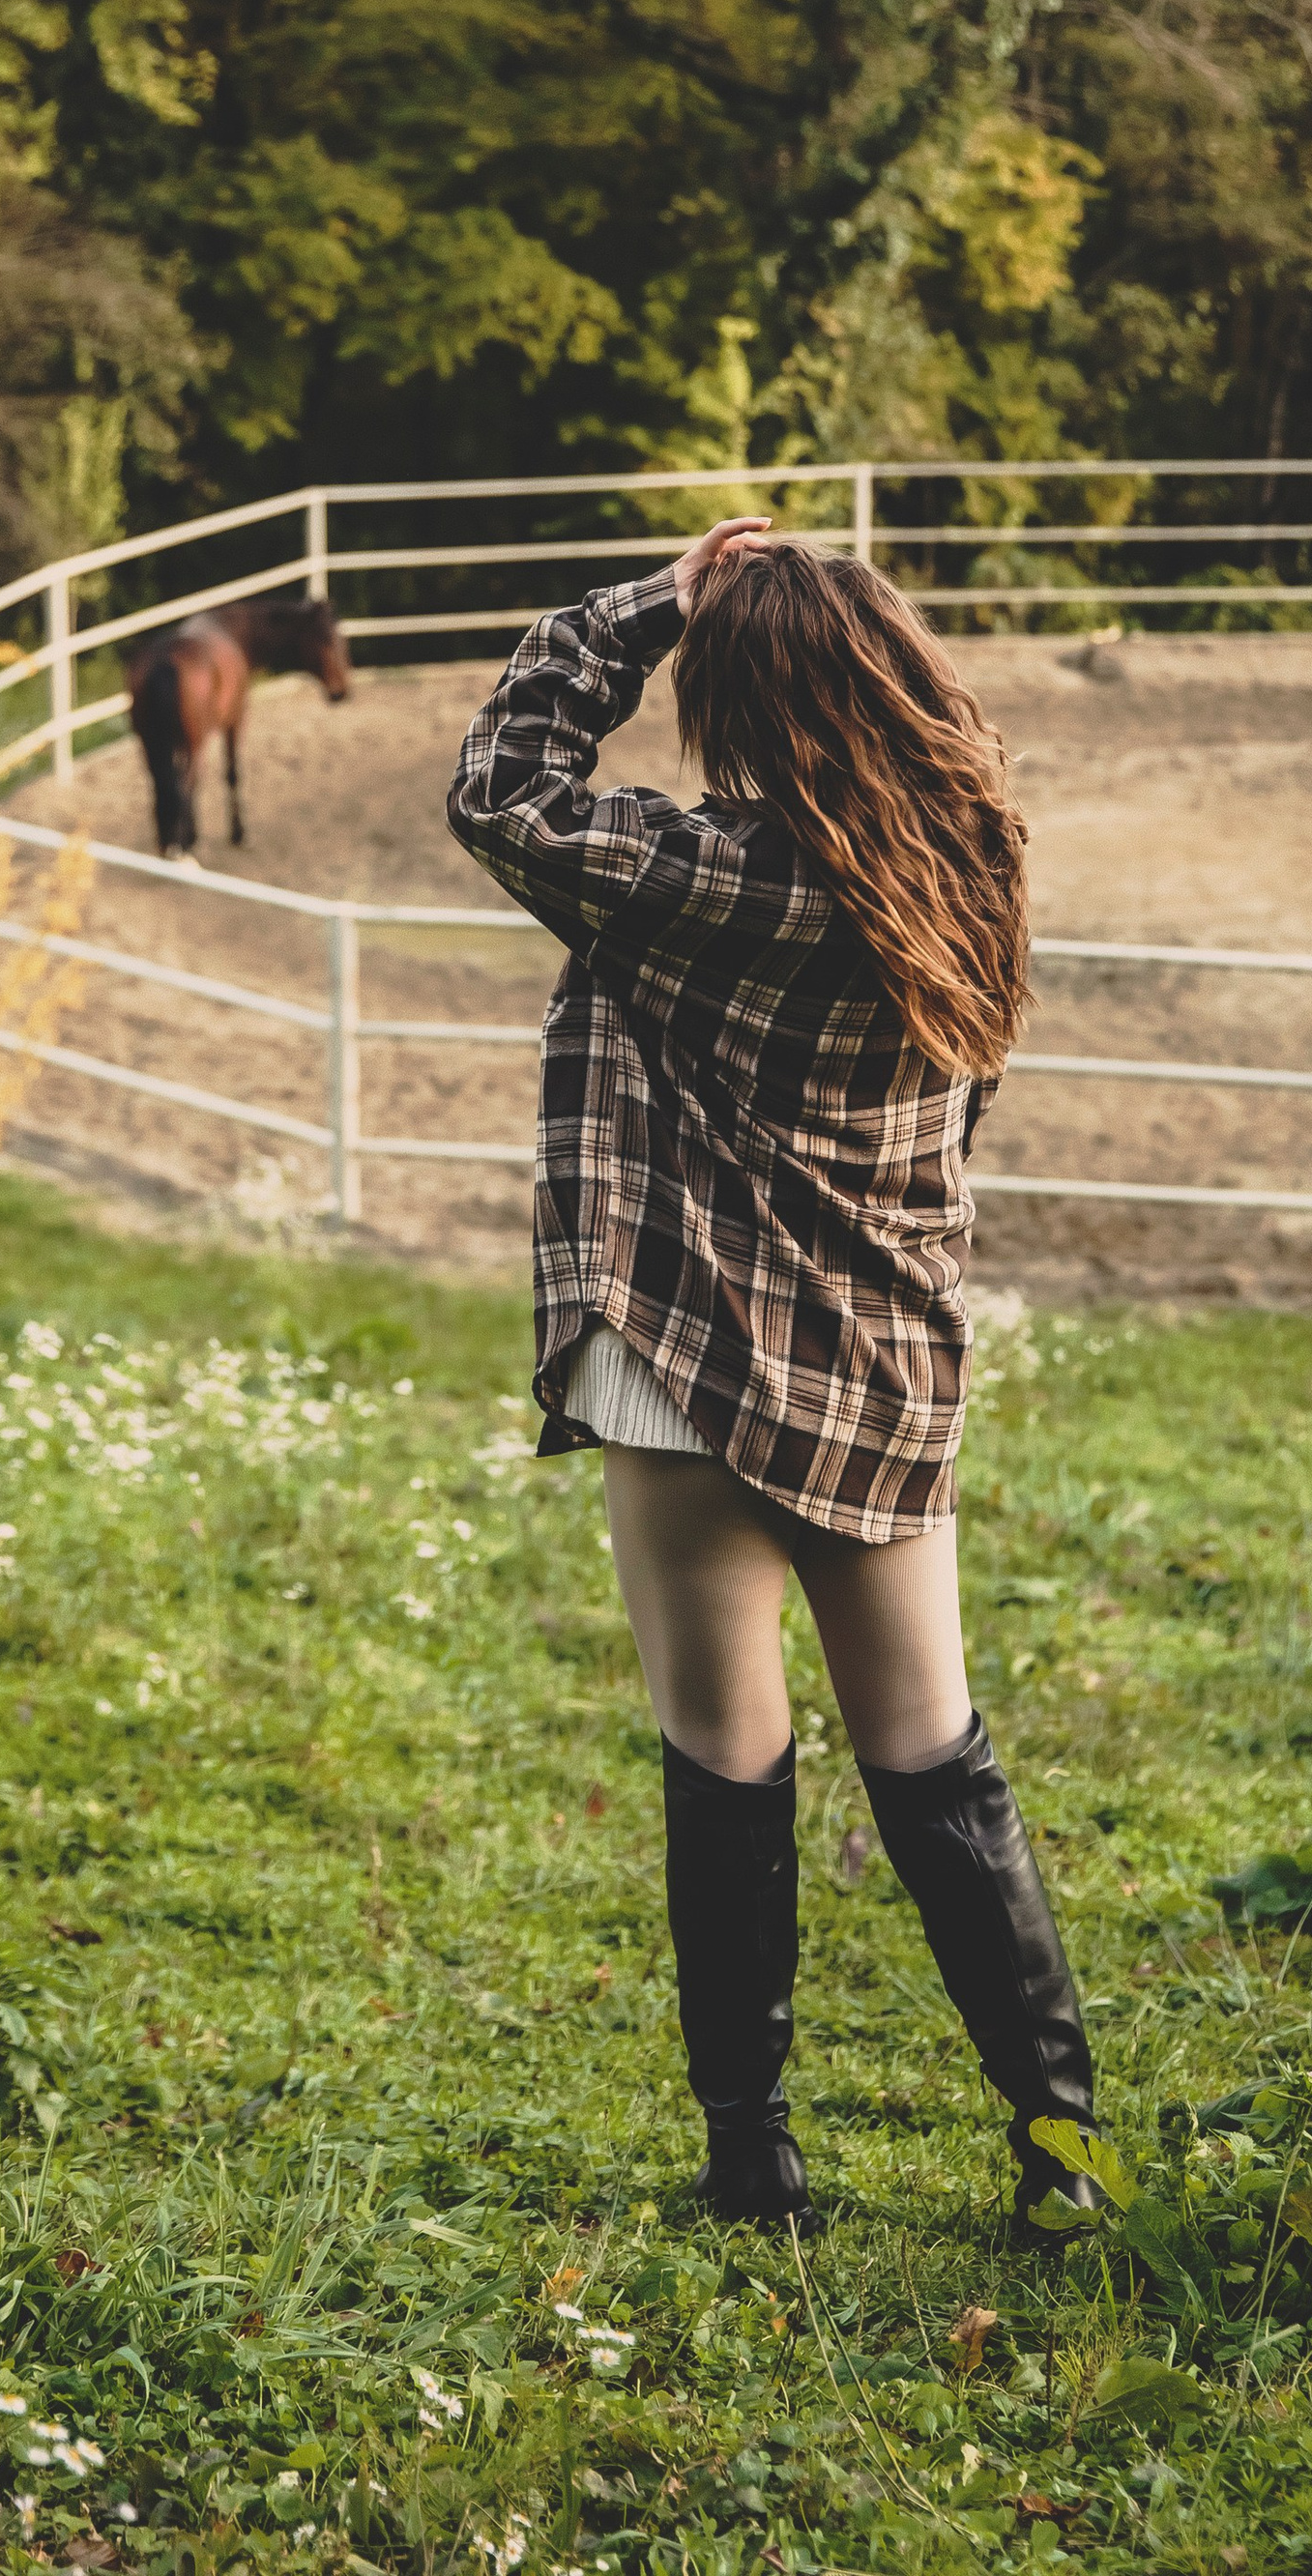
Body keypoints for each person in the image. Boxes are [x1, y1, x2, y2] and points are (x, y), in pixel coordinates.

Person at [446, 512, 1098, 2237]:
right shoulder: (971, 876)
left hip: (676, 1348)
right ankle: (1060, 2147)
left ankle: (758, 2157)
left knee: (724, 1752)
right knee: (934, 1751)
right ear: (893, 676)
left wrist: (646, 603)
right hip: (879, 1362)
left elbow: (502, 783)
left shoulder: (701, 875)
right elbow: (960, 1121)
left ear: (732, 693)